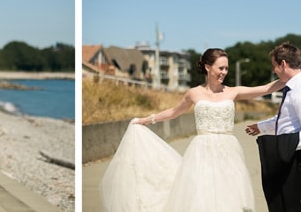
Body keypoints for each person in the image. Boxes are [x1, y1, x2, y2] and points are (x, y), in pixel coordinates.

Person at [100, 48, 284, 212]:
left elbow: (266, 88)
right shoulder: (194, 93)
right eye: (221, 68)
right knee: (202, 194)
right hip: (202, 150)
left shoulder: (232, 91)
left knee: (228, 193)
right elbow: (173, 112)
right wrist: (147, 120)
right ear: (207, 67)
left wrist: (291, 77)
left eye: (226, 68)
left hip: (228, 151)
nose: (224, 72)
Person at [245, 42, 301, 212]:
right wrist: (261, 127)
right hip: (291, 157)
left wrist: (283, 149)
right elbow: (286, 120)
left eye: (275, 66)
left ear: (283, 64)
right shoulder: (293, 87)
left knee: (293, 207)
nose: (274, 71)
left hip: (297, 159)